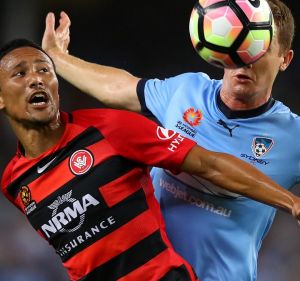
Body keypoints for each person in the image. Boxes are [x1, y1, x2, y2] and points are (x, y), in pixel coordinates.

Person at [40, 0, 300, 280]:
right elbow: (119, 87)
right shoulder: (187, 91)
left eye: (257, 47)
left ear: (284, 59)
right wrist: (57, 57)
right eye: (238, 41)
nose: (244, 57)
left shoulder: (292, 135)